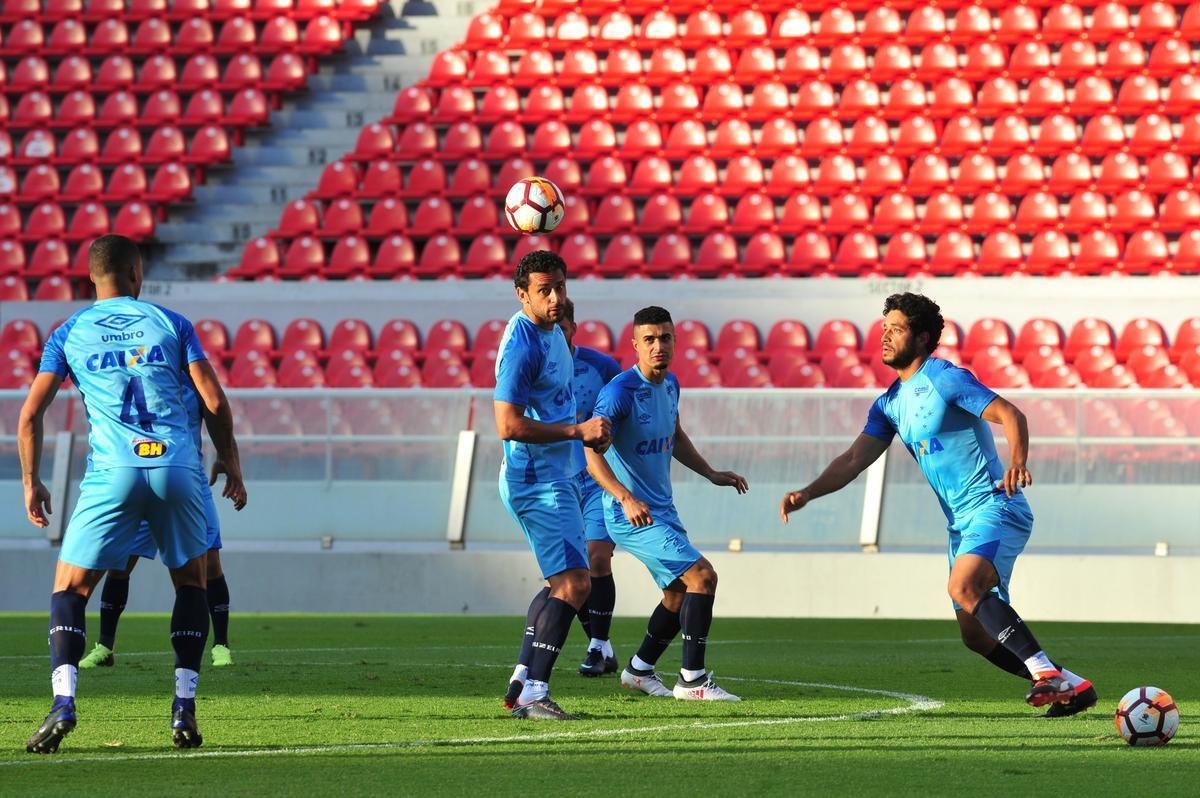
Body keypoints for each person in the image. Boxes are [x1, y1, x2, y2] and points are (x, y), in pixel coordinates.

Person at [778, 292, 1095, 717]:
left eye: (897, 328)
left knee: (964, 587)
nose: (885, 336)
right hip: (960, 523)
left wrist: (1017, 463)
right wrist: (808, 492)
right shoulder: (889, 404)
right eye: (883, 327)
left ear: (923, 338)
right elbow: (854, 459)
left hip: (993, 505)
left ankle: (1046, 675)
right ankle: (1075, 687)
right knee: (976, 637)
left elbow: (1011, 415)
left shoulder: (944, 378)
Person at [19, 235, 247, 754]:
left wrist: (32, 481)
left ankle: (63, 702)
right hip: (176, 467)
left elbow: (30, 416)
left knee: (71, 589)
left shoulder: (68, 332)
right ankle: (184, 707)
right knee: (192, 582)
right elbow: (213, 399)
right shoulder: (172, 324)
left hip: (114, 471)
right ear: (137, 273)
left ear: (91, 278)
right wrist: (229, 458)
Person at [586, 306, 748, 702]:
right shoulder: (619, 393)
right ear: (636, 345)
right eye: (650, 339)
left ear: (675, 340)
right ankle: (692, 680)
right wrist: (624, 497)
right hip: (631, 514)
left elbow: (674, 436)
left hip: (663, 509)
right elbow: (591, 455)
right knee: (703, 577)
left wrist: (710, 472)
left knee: (677, 592)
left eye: (665, 337)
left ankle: (639, 669)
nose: (659, 346)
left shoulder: (672, 384)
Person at [494, 251, 611, 720]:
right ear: (522, 294)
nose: (556, 297)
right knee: (576, 583)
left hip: (554, 474)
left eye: (560, 286)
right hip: (537, 478)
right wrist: (577, 432)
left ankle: (523, 679)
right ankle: (534, 694)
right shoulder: (524, 343)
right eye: (545, 290)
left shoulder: (552, 330)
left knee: (559, 584)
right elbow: (507, 424)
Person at [80, 377, 236, 671]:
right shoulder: (141, 377)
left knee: (210, 561)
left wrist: (231, 465)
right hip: (140, 475)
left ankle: (221, 644)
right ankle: (105, 646)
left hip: (188, 479)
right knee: (121, 562)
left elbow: (221, 421)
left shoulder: (196, 381)